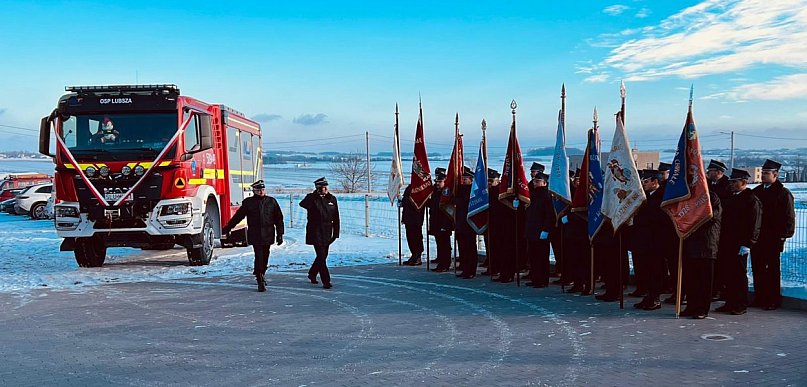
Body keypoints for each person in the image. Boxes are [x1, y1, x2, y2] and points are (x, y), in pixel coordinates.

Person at [222, 180, 284, 292]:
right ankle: (259, 278)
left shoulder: (271, 201)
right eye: (259, 190)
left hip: (268, 233)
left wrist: (280, 234)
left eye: (263, 189)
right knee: (259, 255)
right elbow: (238, 216)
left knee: (265, 256)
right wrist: (228, 228)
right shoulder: (248, 203)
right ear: (254, 191)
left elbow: (279, 219)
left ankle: (261, 272)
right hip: (255, 234)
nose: (261, 191)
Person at [714, 168, 762, 315]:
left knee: (738, 274)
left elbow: (755, 223)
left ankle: (740, 303)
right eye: (731, 182)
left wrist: (748, 243)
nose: (732, 184)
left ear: (744, 182)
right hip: (727, 242)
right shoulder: (731, 197)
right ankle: (730, 302)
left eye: (735, 182)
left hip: (740, 243)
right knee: (727, 273)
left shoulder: (751, 199)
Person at [751, 159, 796, 310]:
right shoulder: (756, 192)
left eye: (766, 173)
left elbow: (789, 216)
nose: (763, 175)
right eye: (762, 173)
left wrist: (784, 234)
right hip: (757, 237)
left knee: (771, 270)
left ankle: (772, 300)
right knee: (757, 268)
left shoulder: (783, 193)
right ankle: (760, 297)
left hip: (773, 238)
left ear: (775, 175)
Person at [629, 170, 668, 309]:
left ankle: (655, 298)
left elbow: (657, 219)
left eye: (646, 181)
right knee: (647, 270)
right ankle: (649, 296)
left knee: (655, 271)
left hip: (655, 241)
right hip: (644, 241)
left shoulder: (662, 197)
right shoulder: (646, 197)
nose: (643, 184)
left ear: (655, 182)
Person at [680, 191, 722, 319]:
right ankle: (691, 306)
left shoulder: (712, 196)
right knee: (691, 279)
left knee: (704, 280)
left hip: (707, 245)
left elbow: (712, 216)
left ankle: (702, 309)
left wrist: (692, 216)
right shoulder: (689, 196)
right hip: (691, 244)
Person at [300, 177, 340, 289]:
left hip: (327, 231)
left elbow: (336, 217)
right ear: (318, 188)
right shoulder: (312, 199)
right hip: (315, 230)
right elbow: (302, 204)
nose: (325, 189)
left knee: (323, 255)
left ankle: (312, 273)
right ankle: (326, 281)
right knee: (321, 256)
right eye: (322, 187)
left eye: (326, 187)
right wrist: (314, 195)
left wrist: (336, 233)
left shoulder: (332, 199)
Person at [524, 170, 554, 288]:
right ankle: (535, 278)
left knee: (541, 257)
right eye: (534, 181)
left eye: (538, 181)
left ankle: (542, 280)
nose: (535, 183)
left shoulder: (547, 196)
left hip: (541, 230)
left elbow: (549, 215)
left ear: (545, 183)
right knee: (533, 256)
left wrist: (546, 229)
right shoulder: (533, 194)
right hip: (532, 230)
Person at [428, 168, 453, 272]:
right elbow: (433, 206)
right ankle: (441, 263)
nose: (437, 184)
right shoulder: (436, 192)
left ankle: (445, 264)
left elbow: (448, 211)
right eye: (436, 182)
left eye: (440, 182)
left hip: (444, 223)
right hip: (436, 222)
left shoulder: (446, 194)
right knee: (439, 243)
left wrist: (445, 225)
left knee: (445, 245)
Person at [454, 166, 477, 279]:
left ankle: (471, 270)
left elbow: (465, 203)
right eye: (463, 179)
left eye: (465, 179)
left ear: (471, 180)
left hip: (470, 223)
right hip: (460, 222)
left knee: (470, 248)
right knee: (463, 247)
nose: (463, 181)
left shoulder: (473, 191)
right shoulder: (461, 189)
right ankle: (464, 267)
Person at [401, 184, 426, 266]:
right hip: (408, 217)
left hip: (416, 218)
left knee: (417, 237)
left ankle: (418, 256)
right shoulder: (409, 187)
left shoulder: (420, 187)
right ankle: (413, 255)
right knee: (410, 237)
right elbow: (405, 200)